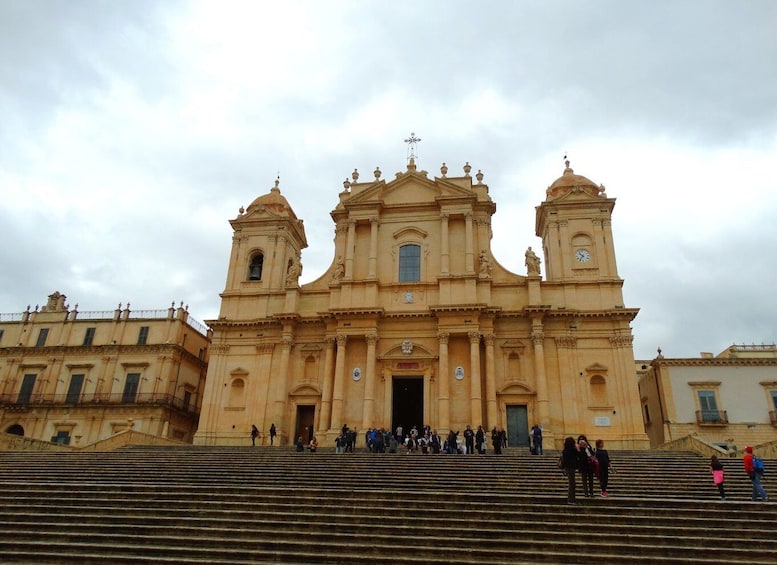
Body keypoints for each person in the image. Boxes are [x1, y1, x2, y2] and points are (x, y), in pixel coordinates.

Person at [561, 436, 579, 505]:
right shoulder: (572, 450)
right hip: (571, 468)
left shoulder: (565, 450)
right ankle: (571, 500)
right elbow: (579, 455)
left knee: (571, 484)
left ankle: (571, 499)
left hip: (567, 468)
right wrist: (578, 449)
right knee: (572, 484)